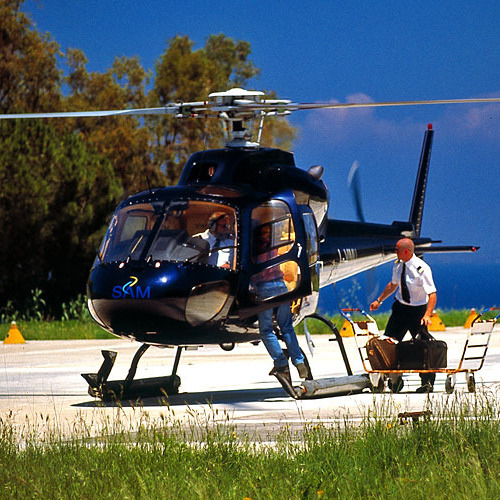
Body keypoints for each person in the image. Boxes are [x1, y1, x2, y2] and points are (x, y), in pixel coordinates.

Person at [370, 237, 437, 393]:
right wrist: (379, 300)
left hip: (418, 311)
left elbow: (432, 294)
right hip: (401, 309)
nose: (395, 252)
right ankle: (394, 380)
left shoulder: (421, 268)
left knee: (423, 346)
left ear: (406, 251)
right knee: (389, 343)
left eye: (397, 250)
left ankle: (427, 383)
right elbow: (393, 284)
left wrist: (427, 315)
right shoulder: (398, 266)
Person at [253, 224, 308, 381]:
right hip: (282, 286)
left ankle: (281, 361)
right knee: (287, 327)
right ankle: (299, 361)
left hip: (266, 288)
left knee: (266, 330)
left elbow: (258, 271)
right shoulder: (274, 248)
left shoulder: (258, 250)